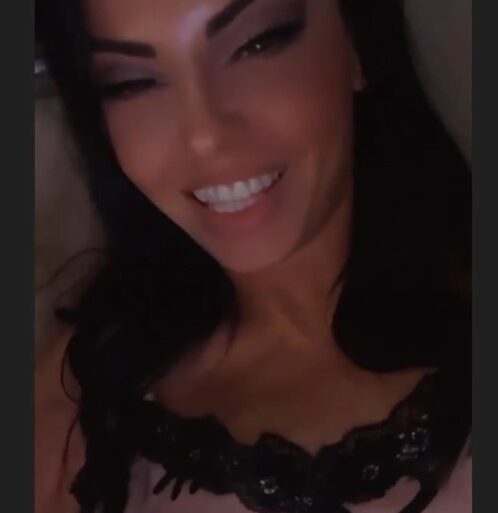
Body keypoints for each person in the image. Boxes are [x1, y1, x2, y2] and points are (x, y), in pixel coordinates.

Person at [35, 0, 472, 512]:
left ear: (357, 41)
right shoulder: (81, 390)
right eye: (133, 82)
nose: (204, 135)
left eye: (256, 44)